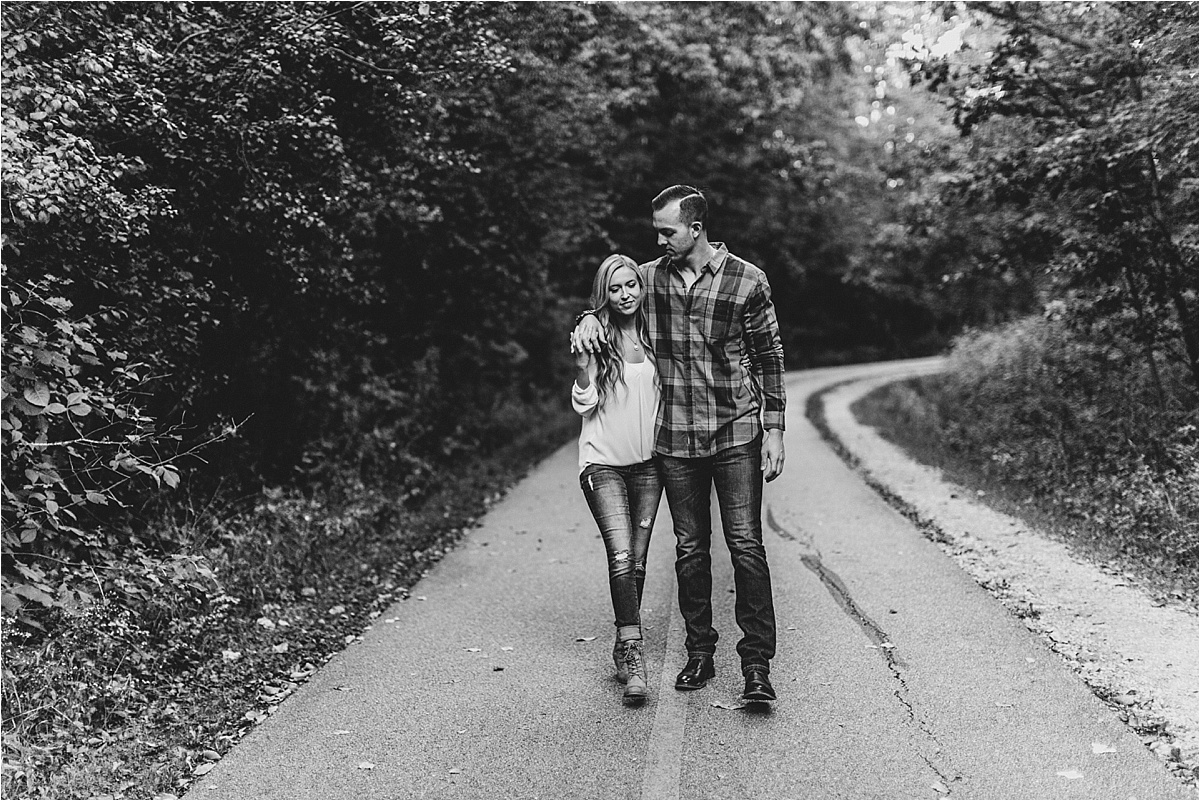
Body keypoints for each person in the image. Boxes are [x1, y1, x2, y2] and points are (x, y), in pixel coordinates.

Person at [572, 185, 785, 703]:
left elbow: (770, 356)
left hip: (735, 432)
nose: (660, 240)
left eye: (668, 231)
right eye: (657, 233)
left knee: (746, 547)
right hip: (675, 442)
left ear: (695, 228)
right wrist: (584, 323)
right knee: (691, 551)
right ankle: (700, 653)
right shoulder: (649, 279)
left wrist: (774, 428)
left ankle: (756, 665)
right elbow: (607, 299)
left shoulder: (747, 280)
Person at [572, 254, 664, 704]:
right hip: (602, 464)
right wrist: (583, 369)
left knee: (639, 563)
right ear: (603, 294)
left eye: (631, 285)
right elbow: (584, 404)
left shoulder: (654, 332)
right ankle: (633, 653)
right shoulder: (593, 334)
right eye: (615, 288)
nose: (625, 294)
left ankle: (621, 642)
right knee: (622, 556)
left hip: (649, 467)